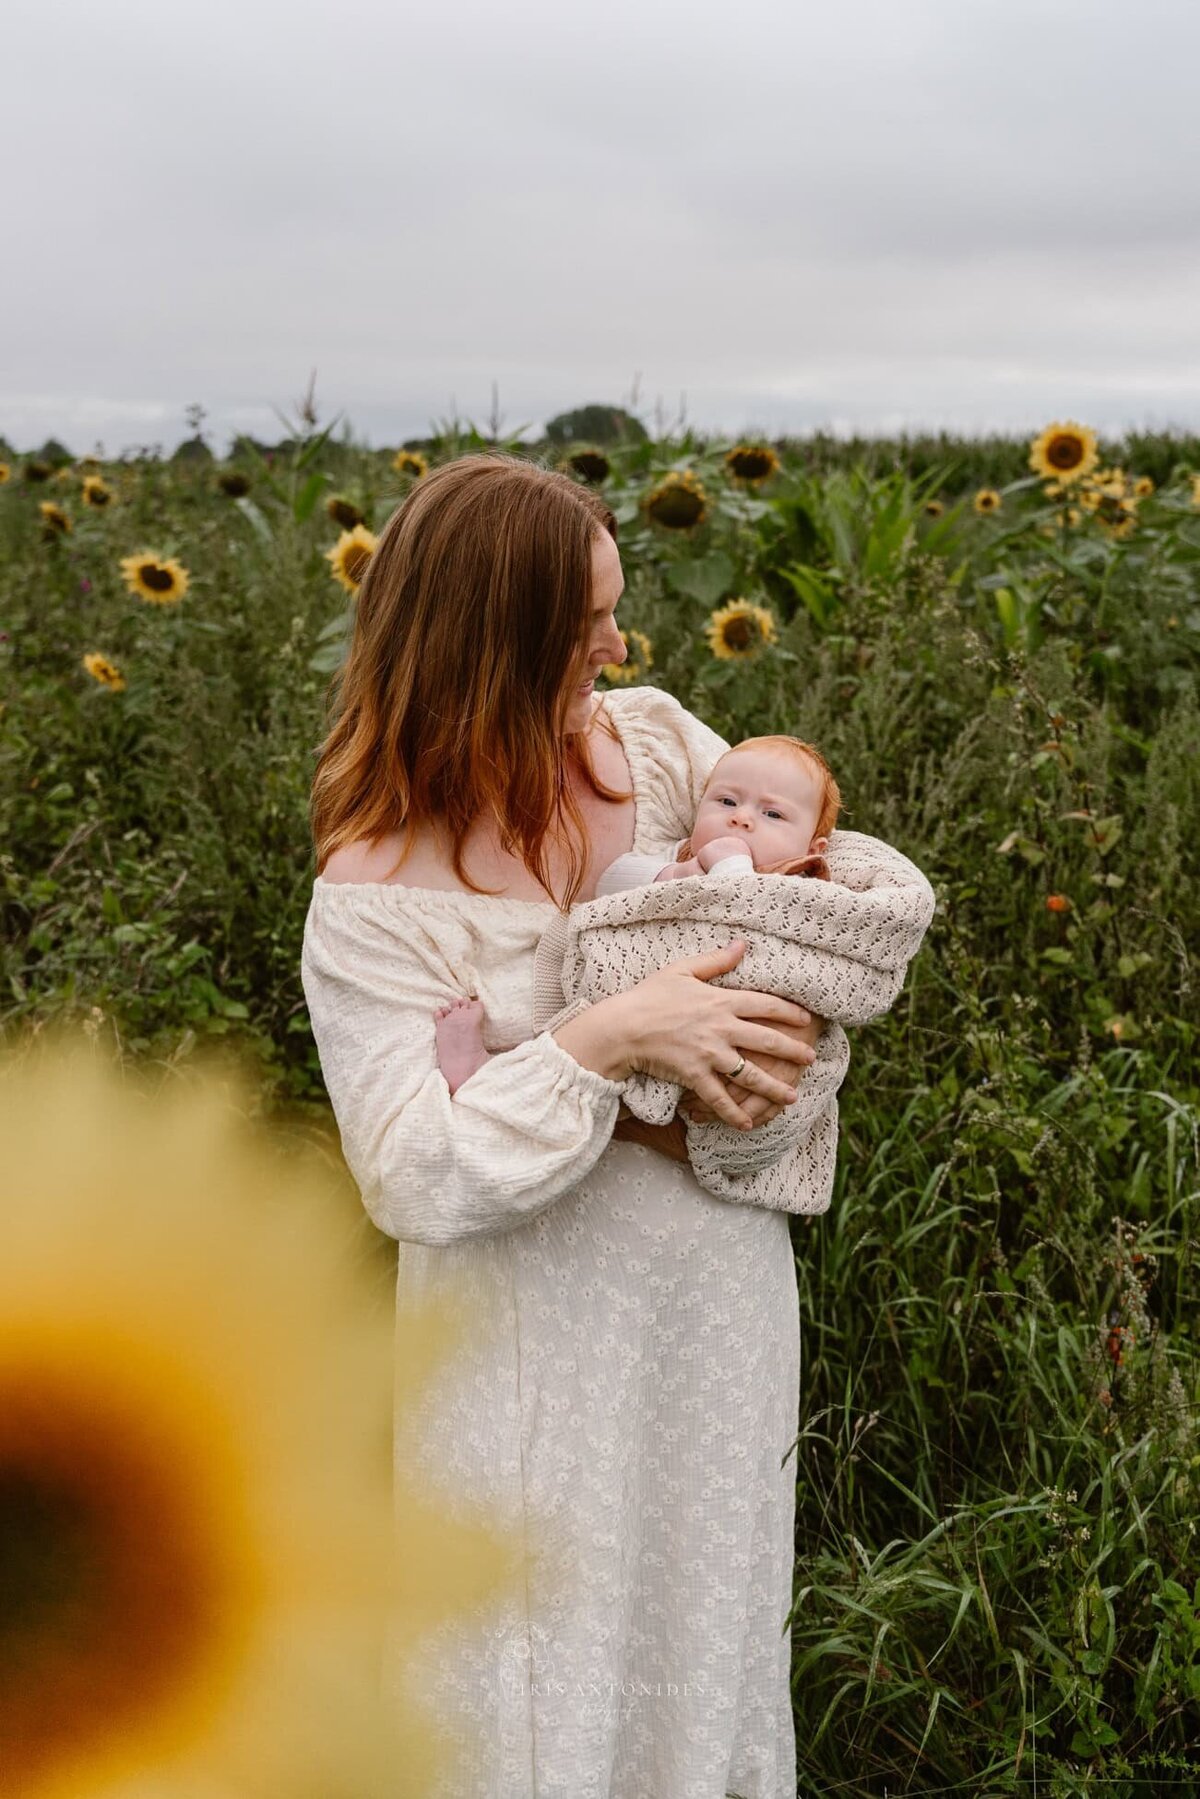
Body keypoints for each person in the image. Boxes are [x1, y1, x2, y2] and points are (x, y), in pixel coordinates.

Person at [302, 451, 856, 1798]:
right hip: (521, 1342)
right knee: (524, 1668)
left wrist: (587, 1093)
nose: (619, 643)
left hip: (713, 1311)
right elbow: (414, 1170)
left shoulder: (660, 751)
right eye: (586, 622)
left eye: (615, 605)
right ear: (488, 645)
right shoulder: (374, 894)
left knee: (700, 1644)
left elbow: (817, 945)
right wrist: (613, 1038)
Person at [433, 735, 839, 1099]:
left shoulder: (801, 882)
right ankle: (487, 1074)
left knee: (612, 1095)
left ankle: (500, 1086)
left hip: (720, 1028)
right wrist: (678, 874)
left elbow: (747, 914)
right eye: (727, 802)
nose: (741, 818)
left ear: (813, 847)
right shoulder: (684, 857)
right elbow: (611, 881)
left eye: (773, 815)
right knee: (573, 1045)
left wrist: (730, 867)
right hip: (631, 1007)